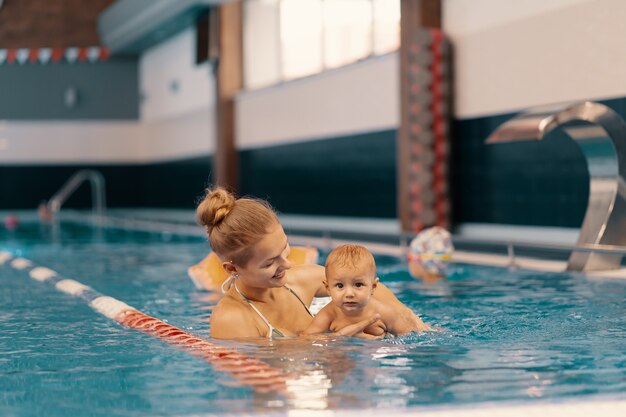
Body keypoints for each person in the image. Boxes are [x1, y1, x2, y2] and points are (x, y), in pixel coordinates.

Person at [196, 186, 424, 340]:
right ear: (232, 269)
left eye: (285, 248)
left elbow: (369, 286)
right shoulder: (231, 319)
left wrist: (413, 325)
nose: (286, 264)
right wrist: (338, 340)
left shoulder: (297, 281)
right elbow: (259, 374)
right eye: (270, 263)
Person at [303, 244, 431, 338]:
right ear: (328, 288)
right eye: (340, 286)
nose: (349, 293)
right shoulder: (329, 314)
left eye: (358, 284)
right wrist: (336, 338)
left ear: (373, 287)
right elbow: (307, 338)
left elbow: (411, 337)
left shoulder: (384, 313)